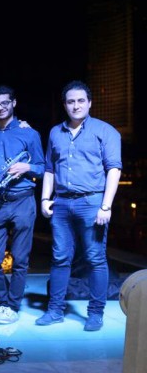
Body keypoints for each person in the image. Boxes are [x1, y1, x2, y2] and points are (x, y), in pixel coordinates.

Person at [36, 80, 121, 332]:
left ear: (90, 103)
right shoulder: (55, 132)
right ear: (64, 105)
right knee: (60, 257)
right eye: (71, 101)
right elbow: (49, 169)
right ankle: (55, 311)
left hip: (92, 202)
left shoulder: (105, 131)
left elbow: (114, 169)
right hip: (61, 203)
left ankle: (95, 313)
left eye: (81, 100)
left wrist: (106, 206)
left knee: (95, 258)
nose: (76, 106)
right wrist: (44, 199)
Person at [0, 85, 45, 324]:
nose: (1, 108)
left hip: (23, 200)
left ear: (13, 103)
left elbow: (42, 168)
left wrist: (27, 167)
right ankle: (0, 303)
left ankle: (12, 306)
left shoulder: (30, 133)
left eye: (5, 103)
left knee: (20, 259)